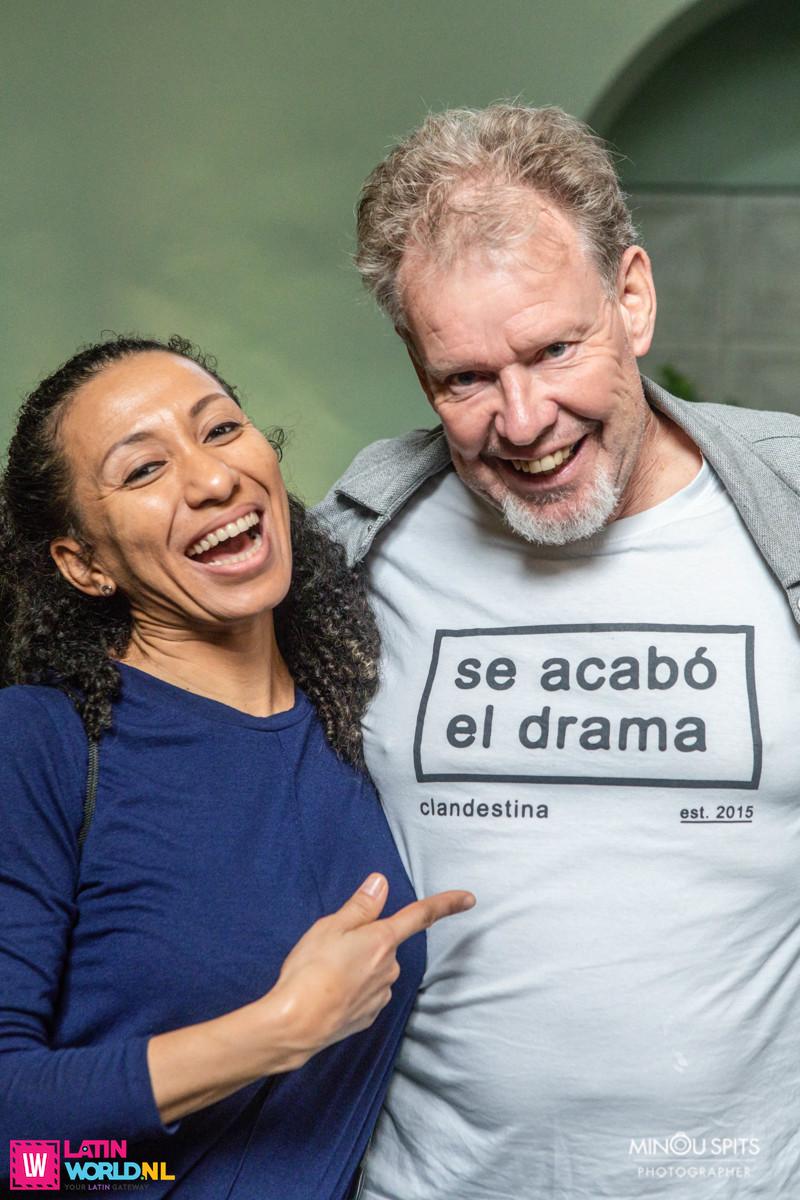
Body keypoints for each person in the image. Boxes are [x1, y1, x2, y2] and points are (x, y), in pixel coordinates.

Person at [316, 104, 800, 1197]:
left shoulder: (787, 511)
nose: (525, 419)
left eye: (552, 350)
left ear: (631, 297)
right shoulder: (352, 551)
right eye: (464, 379)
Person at [0, 334, 474, 1199]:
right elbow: (17, 1157)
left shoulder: (366, 729)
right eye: (143, 470)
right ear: (85, 564)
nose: (212, 479)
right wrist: (276, 1031)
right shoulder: (39, 744)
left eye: (220, 430)